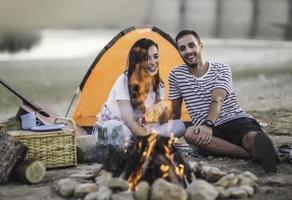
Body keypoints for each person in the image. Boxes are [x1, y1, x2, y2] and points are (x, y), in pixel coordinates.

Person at [168, 29, 278, 172]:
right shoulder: (176, 75)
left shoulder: (221, 68)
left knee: (250, 138)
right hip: (207, 129)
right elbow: (175, 112)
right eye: (182, 48)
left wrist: (208, 124)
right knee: (189, 134)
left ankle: (261, 149)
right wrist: (168, 135)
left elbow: (218, 99)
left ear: (200, 45)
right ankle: (252, 155)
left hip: (233, 119)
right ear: (179, 52)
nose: (188, 51)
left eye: (191, 45)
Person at [93, 38, 185, 155]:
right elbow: (129, 121)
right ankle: (149, 143)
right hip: (112, 129)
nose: (153, 62)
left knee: (179, 125)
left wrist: (163, 110)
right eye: (147, 58)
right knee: (126, 132)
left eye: (156, 56)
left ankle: (144, 144)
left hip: (141, 130)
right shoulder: (124, 81)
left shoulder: (159, 85)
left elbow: (158, 120)